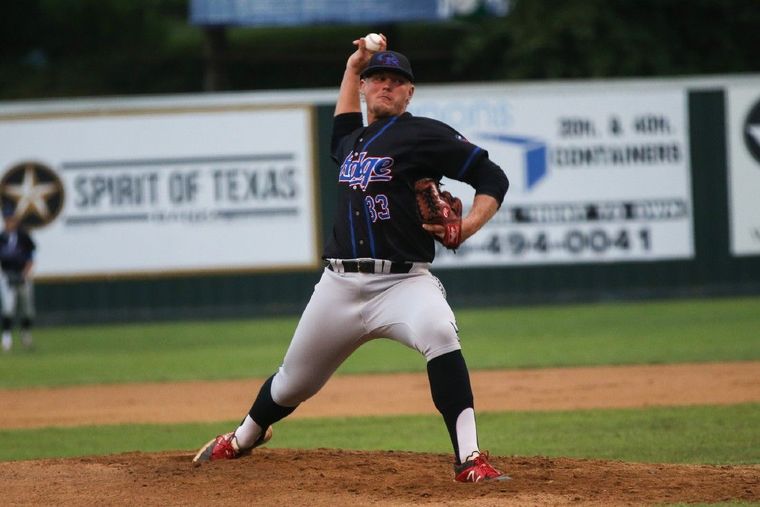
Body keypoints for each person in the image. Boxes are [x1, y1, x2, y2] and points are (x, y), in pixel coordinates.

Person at [193, 35, 510, 483]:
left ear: (409, 93)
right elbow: (343, 115)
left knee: (440, 331)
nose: (387, 85)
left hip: (404, 283)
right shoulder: (350, 141)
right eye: (378, 78)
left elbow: (491, 175)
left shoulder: (424, 134)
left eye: (397, 80)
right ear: (363, 87)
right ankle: (244, 437)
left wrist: (470, 225)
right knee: (292, 383)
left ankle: (469, 458)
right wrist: (352, 64)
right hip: (339, 285)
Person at [0, 204, 36, 352]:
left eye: (12, 219)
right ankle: (7, 337)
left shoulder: (23, 236)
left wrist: (25, 273)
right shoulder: (2, 238)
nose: (10, 221)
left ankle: (25, 334)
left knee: (27, 309)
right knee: (8, 307)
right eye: (7, 219)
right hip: (7, 275)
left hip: (23, 275)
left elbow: (31, 256)